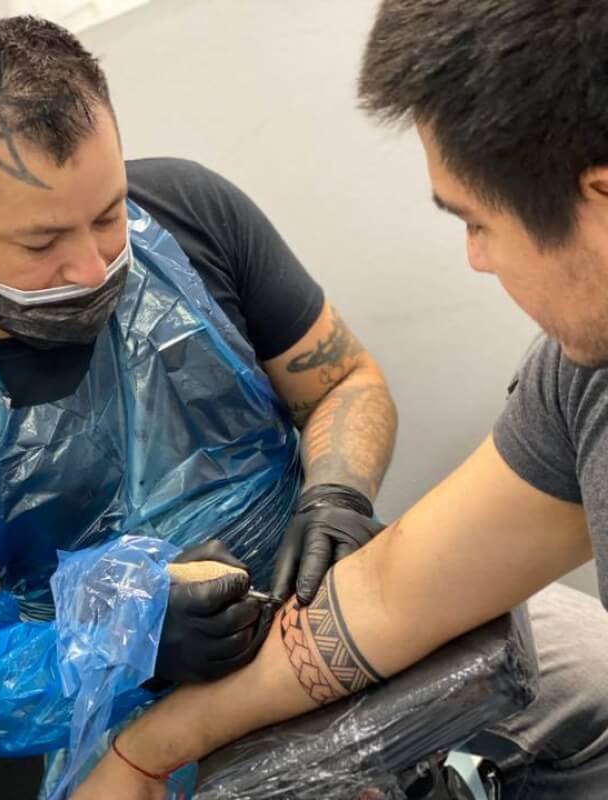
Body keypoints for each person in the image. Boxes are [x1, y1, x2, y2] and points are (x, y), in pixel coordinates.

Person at [0, 14, 397, 788]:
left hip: (327, 622)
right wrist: (131, 643)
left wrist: (337, 495)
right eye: (42, 243)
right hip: (142, 738)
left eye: (106, 215)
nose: (94, 267)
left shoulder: (193, 210)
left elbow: (343, 381)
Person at [73, 2, 608, 798]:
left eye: (478, 223)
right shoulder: (580, 382)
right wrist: (142, 753)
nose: (477, 258)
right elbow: (394, 593)